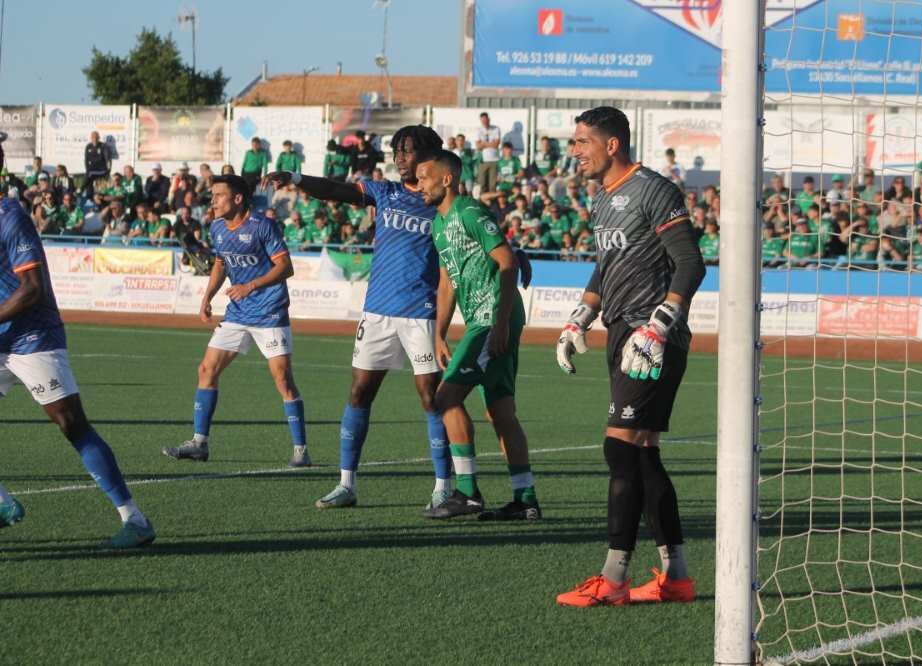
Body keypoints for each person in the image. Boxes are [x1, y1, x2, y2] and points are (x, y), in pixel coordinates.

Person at [553, 107, 705, 607]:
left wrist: (660, 325)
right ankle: (675, 576)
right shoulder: (602, 198)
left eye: (581, 142)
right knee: (641, 454)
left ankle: (614, 578)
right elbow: (606, 266)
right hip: (622, 334)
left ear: (611, 144)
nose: (574, 151)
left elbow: (690, 262)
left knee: (620, 450)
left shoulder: (654, 190)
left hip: (651, 338)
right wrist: (581, 316)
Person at [263, 126, 455, 511]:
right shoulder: (386, 192)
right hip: (377, 313)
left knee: (431, 399)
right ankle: (346, 484)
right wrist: (297, 178)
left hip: (422, 314)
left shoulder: (444, 203)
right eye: (396, 151)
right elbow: (338, 191)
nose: (400, 158)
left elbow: (477, 232)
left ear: (430, 156)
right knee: (358, 392)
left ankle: (443, 487)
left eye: (408, 151)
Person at [0, 136, 155, 547]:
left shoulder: (10, 215)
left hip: (33, 336)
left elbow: (31, 288)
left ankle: (134, 520)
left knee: (71, 424)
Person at [416, 149, 540, 520]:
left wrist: (500, 322)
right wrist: (439, 332)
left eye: (424, 177)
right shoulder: (438, 225)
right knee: (500, 411)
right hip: (482, 320)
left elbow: (506, 262)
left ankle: (468, 493)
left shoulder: (469, 212)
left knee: (445, 398)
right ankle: (526, 499)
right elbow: (446, 283)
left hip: (491, 318)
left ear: (447, 179)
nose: (419, 184)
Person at [162, 175, 309, 468]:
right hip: (238, 313)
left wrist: (250, 286)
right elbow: (220, 263)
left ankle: (301, 450)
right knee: (206, 369)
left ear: (238, 198)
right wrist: (207, 297)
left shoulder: (262, 225)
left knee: (282, 380)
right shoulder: (217, 227)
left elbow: (285, 267)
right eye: (212, 195)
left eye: (218, 195)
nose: (212, 200)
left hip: (269, 312)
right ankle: (199, 443)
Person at [475, 112, 501, 194]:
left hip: (494, 160)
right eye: (482, 121)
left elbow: (496, 144)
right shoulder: (479, 130)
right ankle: (482, 202)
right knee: (482, 183)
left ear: (489, 119)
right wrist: (490, 144)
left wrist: (483, 143)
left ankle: (492, 204)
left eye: (486, 120)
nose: (484, 122)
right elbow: (478, 146)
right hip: (483, 160)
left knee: (492, 185)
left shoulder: (496, 129)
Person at [83, 131, 112, 200]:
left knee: (89, 176)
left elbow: (108, 160)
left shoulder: (103, 146)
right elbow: (86, 159)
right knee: (88, 177)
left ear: (99, 138)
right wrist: (87, 169)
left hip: (101, 169)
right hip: (92, 170)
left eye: (96, 137)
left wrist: (108, 171)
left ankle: (81, 189)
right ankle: (89, 197)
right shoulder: (88, 146)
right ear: (91, 138)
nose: (94, 139)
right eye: (93, 137)